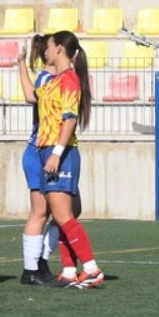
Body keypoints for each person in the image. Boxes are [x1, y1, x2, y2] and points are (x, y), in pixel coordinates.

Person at [36, 31, 104, 289]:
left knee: (64, 215)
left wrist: (56, 152)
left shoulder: (69, 80)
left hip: (60, 153)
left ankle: (91, 269)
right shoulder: (54, 80)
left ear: (59, 50)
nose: (45, 51)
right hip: (49, 150)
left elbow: (70, 118)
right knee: (61, 216)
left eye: (49, 47)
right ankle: (68, 270)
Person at [17, 34, 68, 287]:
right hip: (39, 151)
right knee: (41, 211)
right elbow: (31, 97)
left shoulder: (55, 79)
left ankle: (40, 261)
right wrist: (21, 64)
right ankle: (31, 268)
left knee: (68, 211)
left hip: (49, 151)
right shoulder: (48, 79)